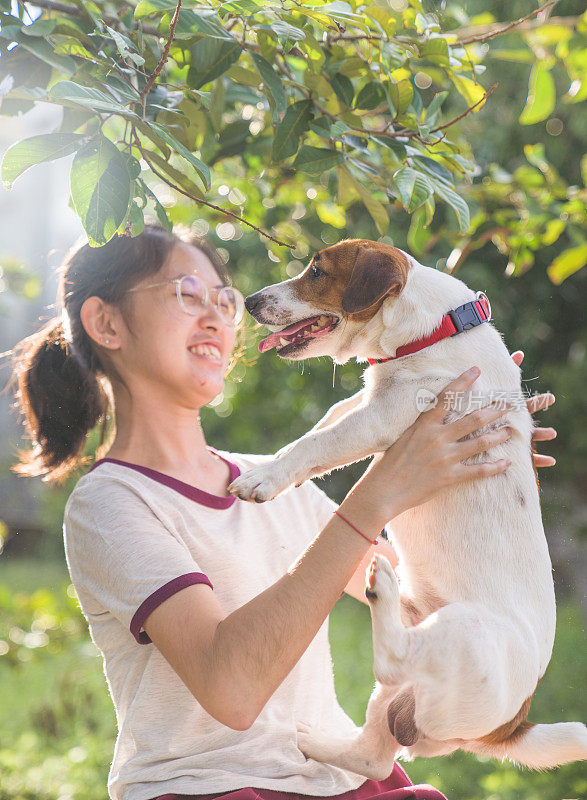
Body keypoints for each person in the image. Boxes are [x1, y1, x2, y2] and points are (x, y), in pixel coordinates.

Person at [8, 225, 557, 800]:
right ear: (106, 323)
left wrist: (476, 471)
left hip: (339, 781)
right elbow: (232, 688)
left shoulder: (267, 475)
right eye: (186, 295)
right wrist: (381, 492)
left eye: (223, 298)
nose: (221, 316)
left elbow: (417, 595)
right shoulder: (113, 502)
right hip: (211, 787)